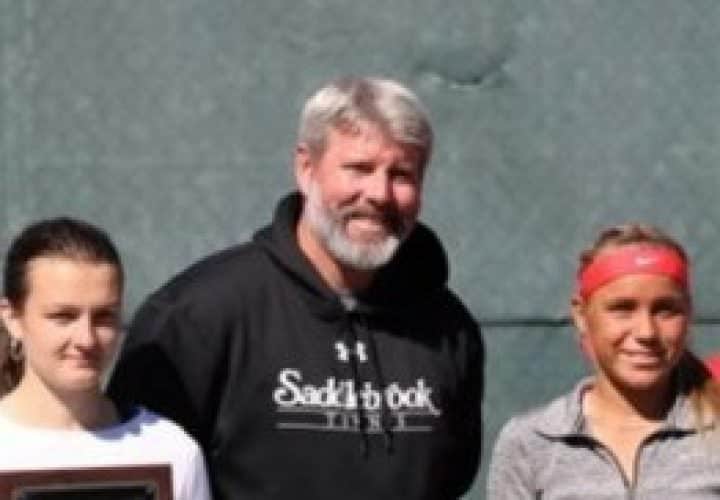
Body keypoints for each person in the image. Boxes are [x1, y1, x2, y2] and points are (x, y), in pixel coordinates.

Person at [108, 76, 484, 499]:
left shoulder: (446, 329)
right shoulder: (199, 315)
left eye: (401, 175)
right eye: (359, 168)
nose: (379, 194)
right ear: (306, 168)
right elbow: (136, 478)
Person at [487, 223, 720, 499]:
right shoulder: (530, 441)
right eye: (623, 308)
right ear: (581, 315)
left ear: (688, 314)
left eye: (665, 310)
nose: (646, 332)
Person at [0, 217, 212, 500]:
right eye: (63, 316)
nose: (86, 339)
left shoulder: (171, 451)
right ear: (12, 318)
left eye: (103, 317)